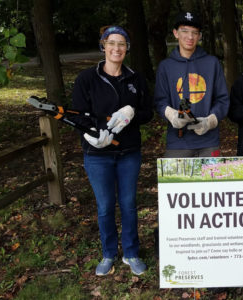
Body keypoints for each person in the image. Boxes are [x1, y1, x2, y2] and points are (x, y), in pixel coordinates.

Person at [71, 25, 152, 276]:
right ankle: (108, 253)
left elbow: (148, 112)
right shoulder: (87, 78)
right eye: (112, 43)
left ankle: (131, 252)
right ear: (103, 46)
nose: (117, 48)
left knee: (128, 204)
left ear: (127, 48)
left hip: (128, 152)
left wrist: (132, 114)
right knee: (105, 206)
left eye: (122, 44)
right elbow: (78, 115)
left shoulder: (135, 79)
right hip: (97, 156)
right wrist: (92, 135)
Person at [154, 11, 229, 158]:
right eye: (185, 31)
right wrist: (172, 115)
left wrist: (210, 121)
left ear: (199, 36)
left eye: (195, 32)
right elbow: (160, 101)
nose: (190, 37)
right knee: (177, 181)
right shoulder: (166, 66)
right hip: (178, 143)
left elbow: (223, 99)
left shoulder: (212, 63)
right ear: (176, 33)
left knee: (212, 181)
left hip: (209, 142)